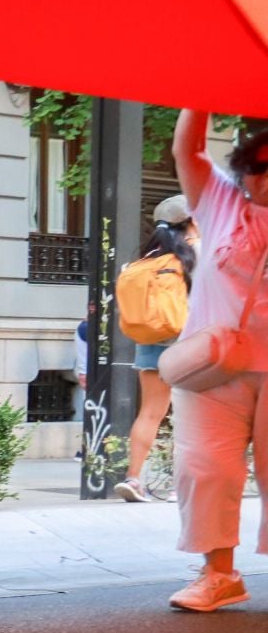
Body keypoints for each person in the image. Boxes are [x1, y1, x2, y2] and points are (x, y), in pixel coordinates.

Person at [162, 110, 268, 612]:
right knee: (204, 466)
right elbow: (188, 150)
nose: (265, 177)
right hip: (213, 364)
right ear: (243, 172)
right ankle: (218, 574)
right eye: (258, 167)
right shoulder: (221, 201)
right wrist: (199, 95)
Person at [115, 195, 198, 502]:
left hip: (150, 340)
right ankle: (180, 486)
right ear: (191, 221)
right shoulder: (196, 253)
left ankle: (133, 479)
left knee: (150, 413)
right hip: (186, 343)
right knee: (188, 416)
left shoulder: (146, 260)